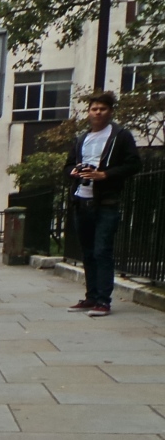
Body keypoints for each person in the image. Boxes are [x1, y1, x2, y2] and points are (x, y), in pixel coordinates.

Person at [63, 91, 141, 317]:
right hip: (82, 201)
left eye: (102, 109)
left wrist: (105, 175)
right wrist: (75, 172)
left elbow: (134, 165)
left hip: (106, 202)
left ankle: (103, 301)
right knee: (87, 252)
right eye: (94, 109)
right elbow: (67, 167)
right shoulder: (81, 139)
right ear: (89, 112)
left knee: (101, 251)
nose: (97, 112)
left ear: (110, 112)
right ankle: (90, 297)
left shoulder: (121, 136)